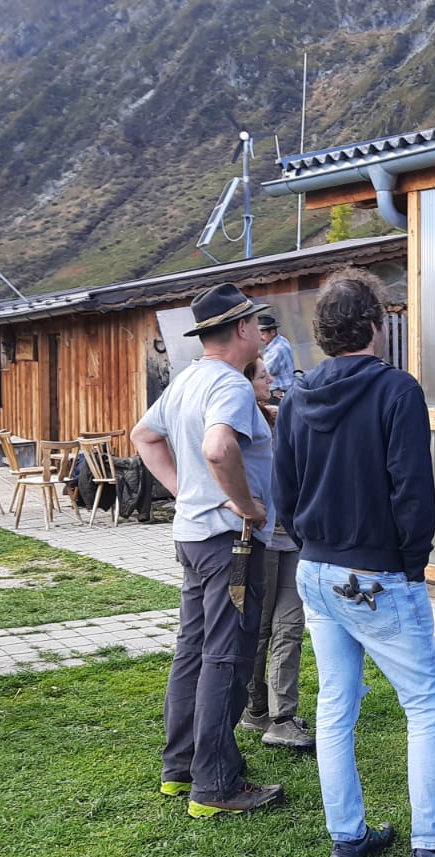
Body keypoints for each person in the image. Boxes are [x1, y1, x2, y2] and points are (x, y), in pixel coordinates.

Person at [273, 268, 435, 857]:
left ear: (324, 332)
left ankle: (348, 839)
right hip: (376, 575)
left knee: (335, 704)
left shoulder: (296, 395)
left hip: (314, 571)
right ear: (375, 326)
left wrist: (312, 543)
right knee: (425, 704)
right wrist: (410, 566)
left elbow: (281, 492)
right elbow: (413, 492)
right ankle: (434, 848)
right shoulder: (397, 391)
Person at [130, 282, 283, 818]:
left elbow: (142, 436)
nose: (262, 336)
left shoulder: (187, 379)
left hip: (193, 537)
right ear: (241, 329)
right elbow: (219, 448)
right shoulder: (230, 386)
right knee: (227, 654)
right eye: (257, 326)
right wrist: (246, 505)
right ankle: (216, 783)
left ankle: (181, 767)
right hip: (230, 544)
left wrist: (183, 490)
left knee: (191, 650)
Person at [237, 357, 314, 751]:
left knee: (290, 627)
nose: (270, 378)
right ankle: (255, 710)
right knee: (260, 628)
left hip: (291, 540)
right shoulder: (236, 423)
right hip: (260, 538)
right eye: (262, 374)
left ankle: (282, 717)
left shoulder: (274, 418)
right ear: (245, 381)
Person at [259, 313, 298, 395]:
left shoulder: (276, 350)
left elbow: (264, 372)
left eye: (262, 334)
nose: (260, 338)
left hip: (281, 388)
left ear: (272, 332)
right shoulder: (281, 340)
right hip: (288, 384)